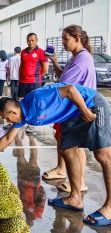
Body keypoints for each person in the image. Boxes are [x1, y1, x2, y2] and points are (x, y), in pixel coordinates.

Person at [0, 83, 111, 227]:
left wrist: (85, 111)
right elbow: (7, 139)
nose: (8, 122)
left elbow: (70, 90)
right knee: (67, 151)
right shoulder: (23, 116)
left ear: (13, 112)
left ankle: (110, 208)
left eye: (6, 118)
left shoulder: (37, 100)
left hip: (91, 104)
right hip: (71, 116)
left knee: (103, 154)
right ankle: (75, 198)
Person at [42, 25, 97, 195]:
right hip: (70, 108)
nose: (63, 43)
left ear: (77, 39)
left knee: (76, 146)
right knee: (64, 141)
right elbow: (63, 76)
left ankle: (80, 183)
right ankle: (61, 170)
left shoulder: (82, 59)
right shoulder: (76, 57)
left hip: (78, 108)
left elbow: (64, 84)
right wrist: (55, 62)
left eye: (66, 39)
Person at [19, 33, 49, 133]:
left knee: (33, 102)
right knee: (21, 102)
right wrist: (20, 78)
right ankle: (21, 121)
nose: (30, 42)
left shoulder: (41, 52)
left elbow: (45, 68)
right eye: (28, 40)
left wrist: (37, 77)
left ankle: (31, 124)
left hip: (34, 82)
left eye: (32, 40)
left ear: (36, 40)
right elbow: (21, 66)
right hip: (23, 82)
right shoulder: (23, 52)